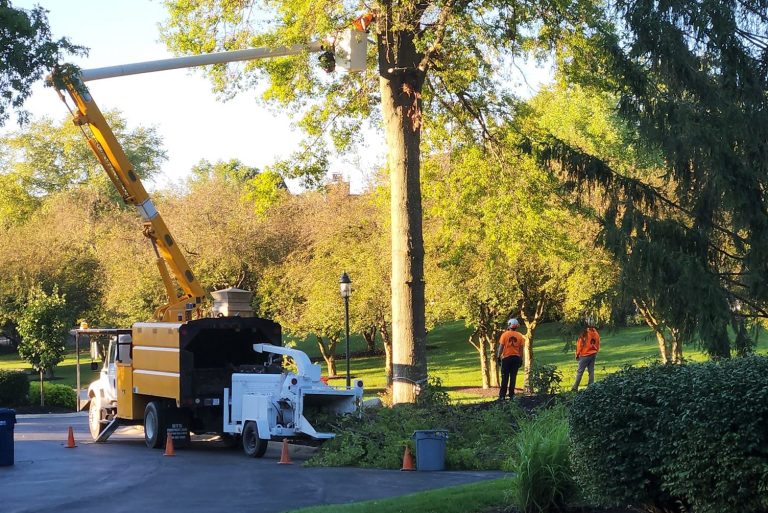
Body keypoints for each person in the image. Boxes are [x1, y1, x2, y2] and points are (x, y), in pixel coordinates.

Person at [497, 318, 524, 400]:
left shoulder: (504, 335)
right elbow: (521, 349)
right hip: (516, 358)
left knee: (505, 377)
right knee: (513, 377)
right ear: (516, 326)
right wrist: (521, 359)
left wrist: (498, 356)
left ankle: (502, 396)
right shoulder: (520, 336)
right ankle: (511, 395)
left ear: (509, 325)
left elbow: (501, 347)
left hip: (506, 358)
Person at [571, 319, 600, 391]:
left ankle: (575, 387)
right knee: (591, 371)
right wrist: (596, 351)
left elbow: (579, 345)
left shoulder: (584, 333)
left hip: (584, 355)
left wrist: (577, 354)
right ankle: (591, 386)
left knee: (580, 371)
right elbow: (598, 343)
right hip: (593, 354)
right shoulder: (596, 333)